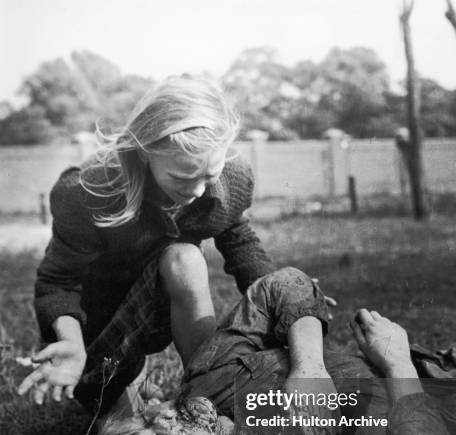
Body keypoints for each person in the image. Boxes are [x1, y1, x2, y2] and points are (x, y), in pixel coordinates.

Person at [83, 267, 456, 435]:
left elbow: (281, 286)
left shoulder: (209, 382)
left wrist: (309, 365)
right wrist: (398, 364)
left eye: (149, 419)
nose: (166, 416)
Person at [18, 74, 279, 416]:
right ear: (145, 152)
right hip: (96, 326)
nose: (198, 190)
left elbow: (239, 238)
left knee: (184, 258)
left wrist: (279, 296)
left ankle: (207, 390)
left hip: (156, 306)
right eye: (182, 177)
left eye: (208, 175)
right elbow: (58, 283)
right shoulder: (90, 191)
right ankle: (125, 379)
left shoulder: (232, 178)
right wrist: (71, 342)